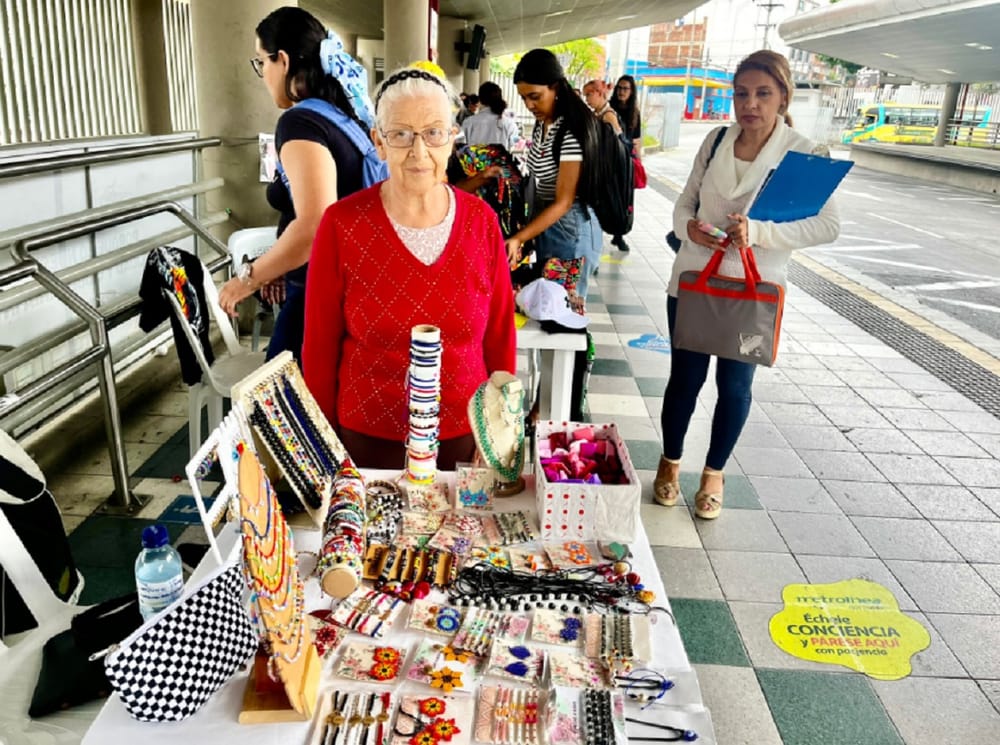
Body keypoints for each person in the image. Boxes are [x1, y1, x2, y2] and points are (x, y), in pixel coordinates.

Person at [653, 50, 840, 519]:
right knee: (684, 379)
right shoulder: (716, 140)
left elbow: (827, 226)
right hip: (694, 282)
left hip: (752, 291)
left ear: (783, 97)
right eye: (741, 94)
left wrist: (758, 233)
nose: (750, 104)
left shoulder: (804, 154)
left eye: (762, 94)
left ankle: (713, 473)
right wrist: (688, 227)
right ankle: (670, 462)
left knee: (735, 386)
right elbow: (685, 202)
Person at [301, 66, 517, 470]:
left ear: (452, 138)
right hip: (365, 443)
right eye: (400, 134)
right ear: (378, 142)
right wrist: (325, 446)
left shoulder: (482, 222)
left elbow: (500, 336)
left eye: (433, 133)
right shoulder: (342, 224)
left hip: (464, 438)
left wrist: (497, 434)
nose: (419, 152)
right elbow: (319, 346)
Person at [218, 7, 375, 362]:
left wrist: (248, 279)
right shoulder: (347, 117)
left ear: (283, 60)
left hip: (318, 296)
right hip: (353, 288)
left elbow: (313, 224)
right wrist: (279, 264)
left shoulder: (300, 122)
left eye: (262, 62)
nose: (263, 74)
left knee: (284, 394)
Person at [505, 49, 601, 302]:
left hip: (570, 228)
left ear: (556, 88)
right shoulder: (543, 123)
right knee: (544, 306)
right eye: (524, 98)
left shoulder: (571, 131)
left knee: (563, 312)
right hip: (548, 222)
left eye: (535, 97)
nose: (529, 105)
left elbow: (564, 202)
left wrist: (520, 237)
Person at [609, 74, 641, 252]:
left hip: (626, 163)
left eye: (625, 89)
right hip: (609, 160)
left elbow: (636, 140)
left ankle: (618, 235)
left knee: (624, 200)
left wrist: (638, 164)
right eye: (619, 88)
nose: (622, 91)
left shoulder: (634, 113)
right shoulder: (609, 109)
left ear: (631, 91)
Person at [462, 82, 520, 151]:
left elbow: (461, 146)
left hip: (474, 157)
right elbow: (515, 143)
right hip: (501, 158)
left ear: (480, 100)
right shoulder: (509, 124)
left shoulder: (468, 122)